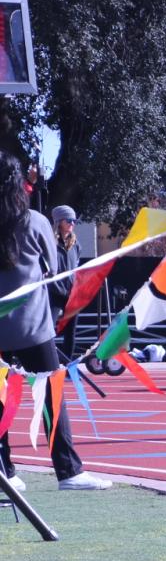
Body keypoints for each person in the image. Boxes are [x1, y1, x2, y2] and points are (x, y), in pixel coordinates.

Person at [0, 155, 110, 490]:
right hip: (33, 326)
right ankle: (68, 471)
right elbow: (52, 270)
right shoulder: (35, 221)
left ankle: (5, 469)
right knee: (51, 396)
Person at [50, 205, 82, 361]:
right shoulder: (49, 243)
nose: (72, 223)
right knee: (47, 331)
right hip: (53, 294)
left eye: (74, 220)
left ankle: (68, 365)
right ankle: (48, 364)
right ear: (58, 221)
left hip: (71, 294)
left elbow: (76, 269)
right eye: (68, 220)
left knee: (71, 331)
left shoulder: (76, 245)